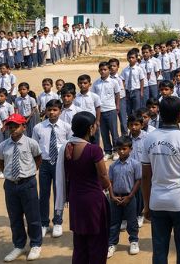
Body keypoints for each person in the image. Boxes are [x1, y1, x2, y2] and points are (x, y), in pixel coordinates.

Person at [141, 96, 180, 264]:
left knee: (159, 250)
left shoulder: (149, 139)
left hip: (157, 201)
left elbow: (146, 176)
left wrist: (146, 205)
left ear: (159, 112)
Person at [55, 111, 111, 264]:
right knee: (97, 242)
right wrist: (109, 188)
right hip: (94, 202)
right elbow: (104, 178)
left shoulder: (67, 147)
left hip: (76, 199)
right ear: (90, 128)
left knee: (80, 242)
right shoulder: (94, 150)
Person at [0, 113, 43, 262]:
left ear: (24, 126)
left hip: (27, 183)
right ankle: (19, 245)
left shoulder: (31, 143)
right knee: (15, 217)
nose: (13, 129)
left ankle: (36, 243)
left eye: (16, 126)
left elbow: (38, 158)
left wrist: (29, 173)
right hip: (10, 185)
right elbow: (1, 162)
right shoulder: (3, 145)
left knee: (33, 216)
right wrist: (9, 176)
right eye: (10, 126)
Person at [32, 99, 72, 238]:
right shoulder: (38, 127)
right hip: (44, 164)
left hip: (60, 164)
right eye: (49, 110)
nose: (52, 112)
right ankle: (44, 223)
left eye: (55, 110)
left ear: (60, 111)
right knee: (43, 194)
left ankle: (57, 222)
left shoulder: (66, 127)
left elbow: (70, 145)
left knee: (59, 193)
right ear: (46, 111)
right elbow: (35, 147)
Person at [107, 136, 142, 258]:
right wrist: (111, 196)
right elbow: (109, 182)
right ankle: (111, 244)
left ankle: (133, 241)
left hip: (129, 198)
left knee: (132, 221)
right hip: (115, 198)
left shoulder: (135, 164)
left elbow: (138, 180)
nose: (121, 151)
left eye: (124, 148)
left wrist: (130, 196)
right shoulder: (113, 166)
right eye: (119, 149)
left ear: (130, 149)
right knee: (114, 222)